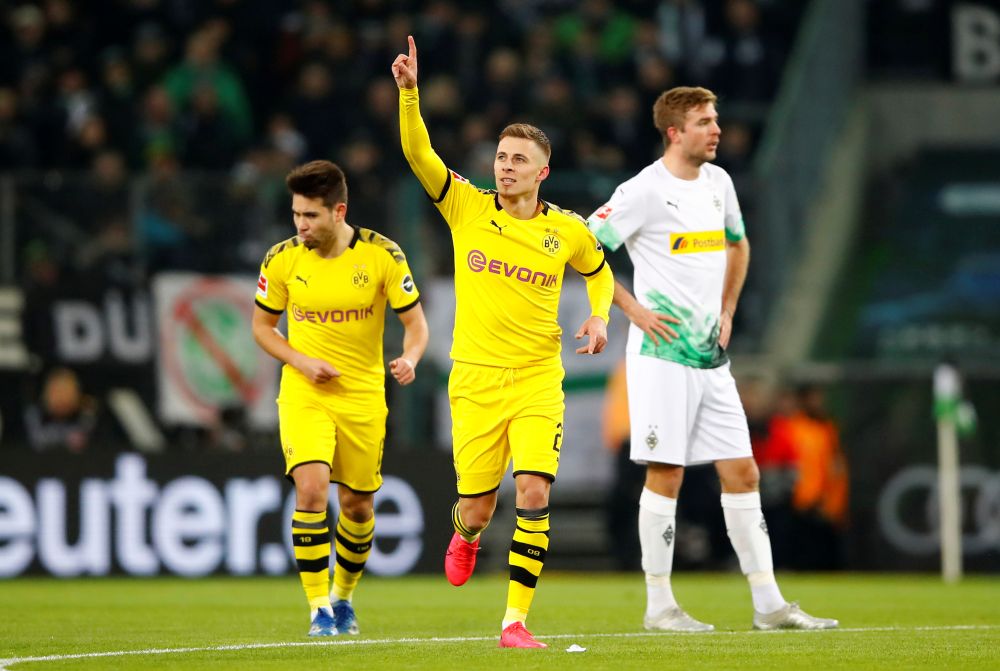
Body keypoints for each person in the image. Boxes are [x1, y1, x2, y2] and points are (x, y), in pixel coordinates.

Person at [587, 86, 838, 632]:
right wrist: (632, 310)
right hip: (660, 358)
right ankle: (659, 607)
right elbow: (584, 249)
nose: (717, 130)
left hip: (711, 357)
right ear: (675, 132)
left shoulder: (720, 182)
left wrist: (727, 309)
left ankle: (769, 605)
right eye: (704, 121)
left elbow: (738, 244)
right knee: (668, 474)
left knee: (743, 472)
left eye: (716, 119)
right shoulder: (642, 191)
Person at [392, 36, 614, 649]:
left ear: (542, 171)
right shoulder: (466, 207)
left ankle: (514, 621)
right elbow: (419, 155)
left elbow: (599, 271)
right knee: (480, 507)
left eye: (518, 159)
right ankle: (463, 535)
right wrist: (409, 96)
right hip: (476, 380)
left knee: (535, 492)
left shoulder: (566, 229)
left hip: (539, 379)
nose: (505, 166)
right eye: (500, 156)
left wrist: (599, 319)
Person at [251, 160, 429, 638]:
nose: (301, 226)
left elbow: (416, 325)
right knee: (310, 491)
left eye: (310, 216)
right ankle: (317, 611)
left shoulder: (382, 255)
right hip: (305, 392)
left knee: (357, 506)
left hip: (363, 396)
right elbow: (261, 328)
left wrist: (409, 358)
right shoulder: (281, 259)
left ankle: (343, 597)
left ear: (339, 211)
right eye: (296, 215)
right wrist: (300, 361)